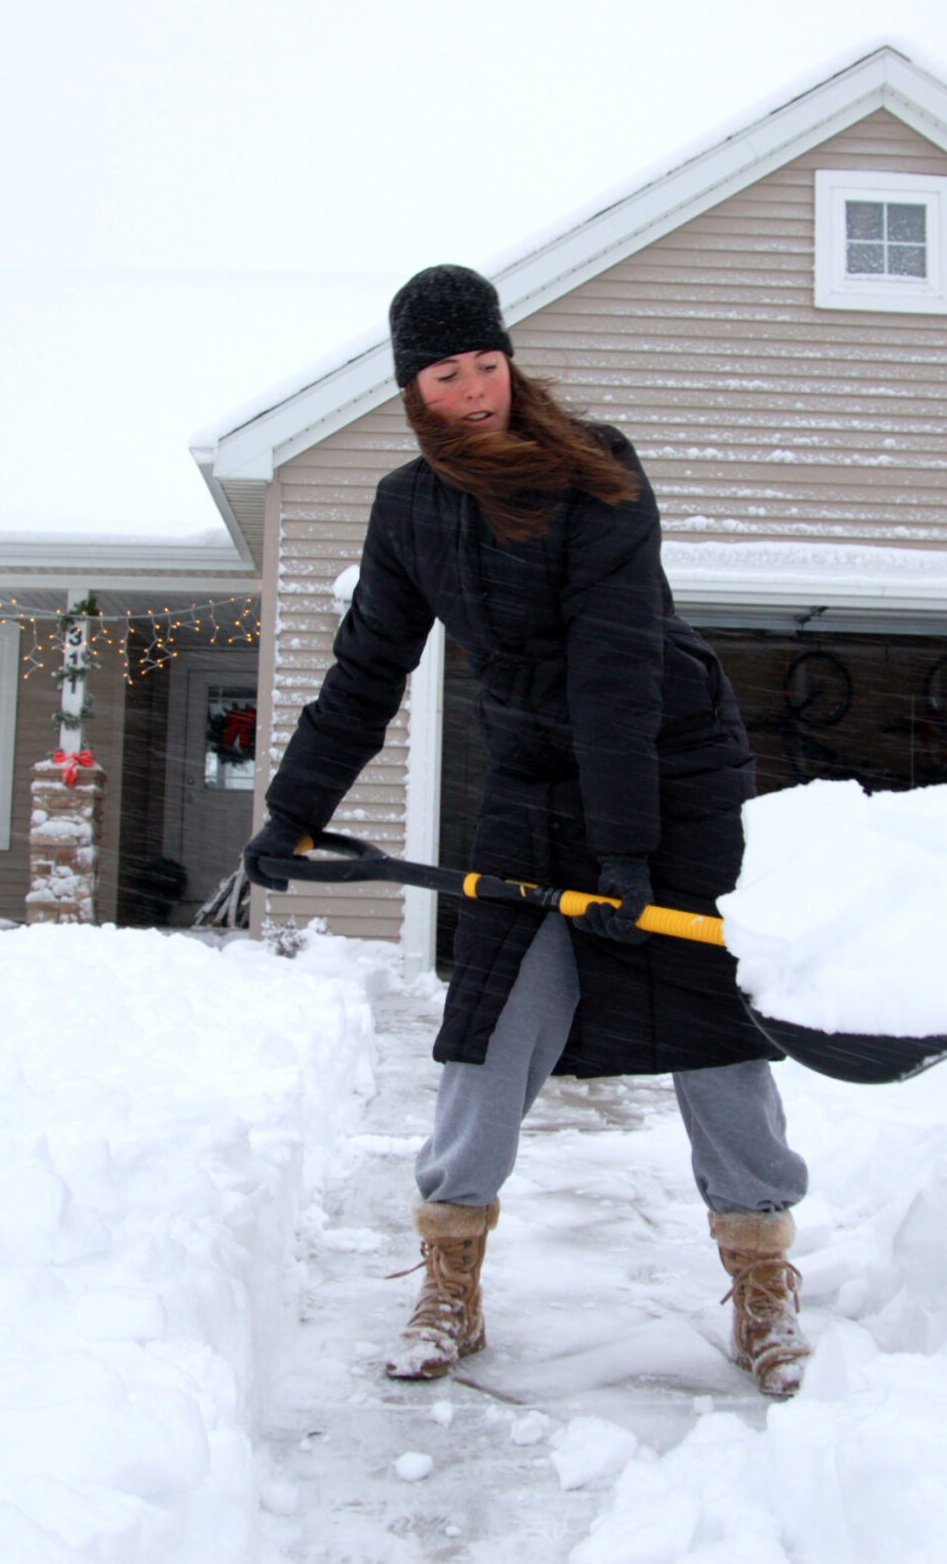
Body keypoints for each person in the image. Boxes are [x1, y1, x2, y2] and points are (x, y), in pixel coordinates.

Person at [240, 264, 812, 1398]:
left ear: (510, 362)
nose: (474, 393)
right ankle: (449, 1276)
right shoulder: (408, 508)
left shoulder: (595, 467)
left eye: (487, 367)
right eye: (446, 377)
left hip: (669, 764)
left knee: (705, 1018)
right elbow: (366, 673)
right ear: (414, 390)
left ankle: (760, 1276)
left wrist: (628, 847)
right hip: (535, 781)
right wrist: (292, 813)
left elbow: (614, 659)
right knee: (491, 1020)